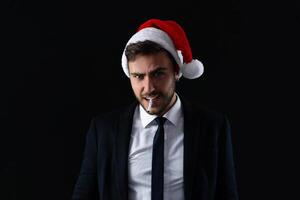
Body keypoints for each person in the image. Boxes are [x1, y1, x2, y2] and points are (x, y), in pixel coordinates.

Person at [72, 18, 239, 200]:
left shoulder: (213, 127)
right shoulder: (104, 129)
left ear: (176, 71)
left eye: (158, 74)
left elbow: (227, 195)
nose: (149, 87)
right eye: (138, 76)